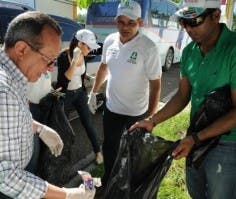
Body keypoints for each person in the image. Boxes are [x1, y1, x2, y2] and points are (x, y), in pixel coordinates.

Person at [0, 11, 95, 199]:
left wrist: (38, 128)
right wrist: (67, 194)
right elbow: (4, 178)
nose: (51, 67)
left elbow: (8, 116)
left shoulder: (5, 69)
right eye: (49, 59)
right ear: (21, 49)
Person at [130, 0, 236, 198]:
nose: (187, 28)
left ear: (215, 15)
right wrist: (152, 120)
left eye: (194, 21)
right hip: (196, 136)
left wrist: (195, 138)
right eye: (182, 21)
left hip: (228, 143)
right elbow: (182, 96)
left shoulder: (233, 48)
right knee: (196, 191)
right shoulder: (189, 52)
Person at [88, 0, 162, 188]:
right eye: (121, 22)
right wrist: (94, 92)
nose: (125, 27)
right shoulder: (110, 40)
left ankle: (132, 185)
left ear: (140, 22)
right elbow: (104, 68)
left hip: (137, 112)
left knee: (135, 152)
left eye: (131, 22)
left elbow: (156, 85)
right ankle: (109, 181)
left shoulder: (148, 47)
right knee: (110, 148)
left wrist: (151, 117)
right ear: (116, 21)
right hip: (112, 108)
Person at [55, 29, 103, 164]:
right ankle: (57, 157)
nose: (91, 50)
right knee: (62, 127)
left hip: (80, 94)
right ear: (80, 44)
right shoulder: (64, 56)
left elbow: (80, 74)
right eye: (88, 46)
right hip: (66, 96)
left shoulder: (85, 54)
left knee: (88, 123)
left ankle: (98, 152)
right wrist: (75, 60)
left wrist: (88, 77)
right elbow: (64, 80)